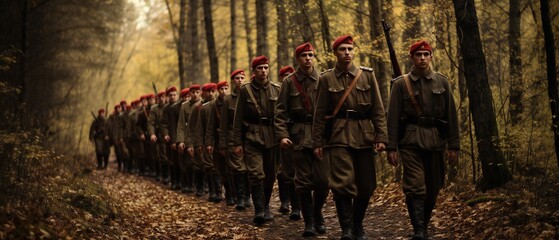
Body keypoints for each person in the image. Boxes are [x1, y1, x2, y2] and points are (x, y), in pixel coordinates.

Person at [312, 35, 387, 240]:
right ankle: (347, 229)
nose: (347, 53)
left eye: (350, 49)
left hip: (364, 135)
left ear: (354, 52)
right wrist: (317, 141)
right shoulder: (326, 78)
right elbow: (319, 113)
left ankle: (357, 224)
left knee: (366, 186)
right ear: (335, 53)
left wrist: (381, 136)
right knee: (342, 183)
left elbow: (378, 110)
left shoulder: (367, 76)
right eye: (342, 49)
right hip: (338, 136)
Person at [386, 40, 459, 240]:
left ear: (431, 56)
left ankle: (423, 227)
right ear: (412, 58)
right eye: (418, 54)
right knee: (415, 186)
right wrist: (391, 147)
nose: (423, 58)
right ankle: (418, 229)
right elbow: (392, 118)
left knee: (433, 187)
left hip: (435, 141)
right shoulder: (401, 84)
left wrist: (454, 145)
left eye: (426, 54)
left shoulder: (441, 82)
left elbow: (451, 115)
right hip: (410, 141)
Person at [275, 42, 330, 237]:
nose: (308, 58)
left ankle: (316, 212)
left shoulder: (324, 79)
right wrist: (282, 135)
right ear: (298, 59)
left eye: (311, 55)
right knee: (303, 182)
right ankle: (308, 223)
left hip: (320, 136)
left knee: (324, 182)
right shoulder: (289, 82)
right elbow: (280, 112)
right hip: (298, 137)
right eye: (304, 55)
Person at [232, 56, 281, 224]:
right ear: (254, 71)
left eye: (266, 67)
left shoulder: (276, 89)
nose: (263, 71)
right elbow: (237, 119)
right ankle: (259, 210)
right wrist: (237, 143)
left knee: (270, 176)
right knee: (256, 174)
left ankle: (266, 206)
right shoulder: (246, 90)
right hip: (252, 137)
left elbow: (282, 116)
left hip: (272, 137)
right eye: (260, 68)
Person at [219, 69, 251, 211]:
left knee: (250, 168)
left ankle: (249, 195)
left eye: (242, 77)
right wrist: (223, 144)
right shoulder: (228, 100)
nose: (240, 80)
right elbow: (224, 124)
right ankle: (241, 198)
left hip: (250, 136)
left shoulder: (251, 95)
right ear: (233, 81)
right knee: (238, 168)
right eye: (237, 78)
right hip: (233, 137)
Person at [275, 65, 301, 220]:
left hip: (300, 134)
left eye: (290, 74)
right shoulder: (277, 90)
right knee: (285, 172)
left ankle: (299, 205)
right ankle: (288, 203)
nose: (288, 77)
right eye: (285, 75)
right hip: (282, 135)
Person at [205, 80, 236, 205]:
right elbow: (210, 126)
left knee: (234, 169)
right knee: (222, 170)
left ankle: (236, 195)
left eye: (226, 88)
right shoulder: (214, 106)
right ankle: (228, 193)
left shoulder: (235, 101)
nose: (224, 91)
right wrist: (209, 143)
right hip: (219, 142)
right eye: (221, 89)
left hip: (233, 140)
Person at [177, 85, 202, 194]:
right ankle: (191, 184)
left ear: (200, 92)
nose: (195, 94)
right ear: (189, 93)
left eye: (197, 92)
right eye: (193, 92)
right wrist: (181, 141)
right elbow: (181, 125)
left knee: (204, 164)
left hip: (202, 138)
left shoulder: (204, 104)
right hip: (189, 137)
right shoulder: (184, 106)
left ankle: (202, 186)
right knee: (190, 164)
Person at [161, 86, 182, 189]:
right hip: (171, 138)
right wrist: (165, 134)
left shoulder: (181, 106)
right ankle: (174, 182)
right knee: (172, 161)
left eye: (174, 95)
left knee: (181, 162)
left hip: (181, 138)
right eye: (171, 95)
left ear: (177, 95)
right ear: (168, 97)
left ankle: (181, 182)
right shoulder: (166, 109)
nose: (173, 97)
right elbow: (164, 124)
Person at [148, 91, 169, 182]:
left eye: (163, 97)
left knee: (167, 156)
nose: (161, 99)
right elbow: (151, 123)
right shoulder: (154, 109)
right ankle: (160, 174)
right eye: (160, 97)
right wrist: (152, 134)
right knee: (157, 155)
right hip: (158, 136)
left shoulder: (170, 107)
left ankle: (167, 175)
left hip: (169, 135)